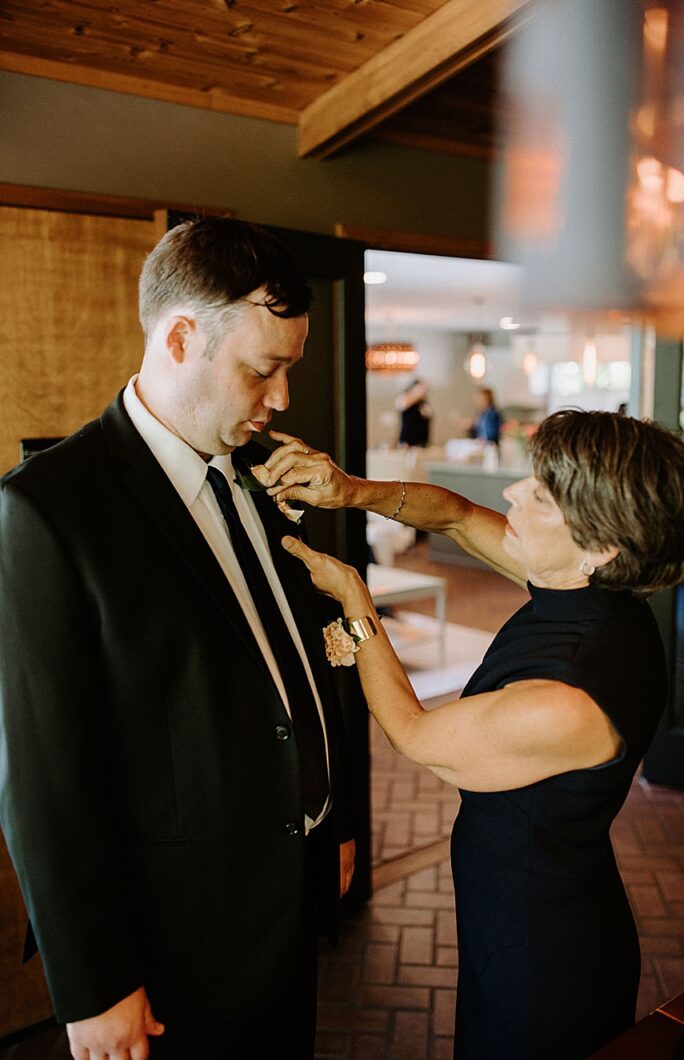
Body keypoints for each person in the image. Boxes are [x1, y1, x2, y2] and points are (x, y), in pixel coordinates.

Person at [0, 218, 356, 1060]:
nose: (281, 400)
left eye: (288, 370)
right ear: (181, 336)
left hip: (286, 901)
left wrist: (331, 822)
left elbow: (293, 658)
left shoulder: (260, 478)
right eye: (262, 370)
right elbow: (43, 776)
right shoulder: (48, 511)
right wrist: (93, 983)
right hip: (168, 941)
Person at [258, 410, 684, 1059]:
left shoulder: (568, 701)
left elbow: (414, 732)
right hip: (534, 898)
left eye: (541, 496)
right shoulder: (588, 587)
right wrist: (348, 489)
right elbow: (456, 518)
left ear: (600, 543)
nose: (512, 496)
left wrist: (356, 603)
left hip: (541, 949)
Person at [397, 377, 432, 448]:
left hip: (422, 443)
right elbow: (403, 405)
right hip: (407, 443)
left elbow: (428, 416)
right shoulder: (404, 398)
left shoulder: (424, 404)